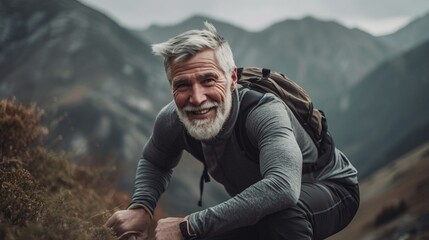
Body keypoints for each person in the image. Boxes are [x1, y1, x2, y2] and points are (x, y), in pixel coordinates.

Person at [105, 22, 359, 240]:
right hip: (263, 202)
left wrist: (189, 226)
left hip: (332, 190)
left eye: (208, 80)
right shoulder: (173, 119)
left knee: (280, 215)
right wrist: (141, 207)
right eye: (182, 85)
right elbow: (155, 160)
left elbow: (283, 187)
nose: (196, 98)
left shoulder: (264, 112)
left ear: (233, 79)